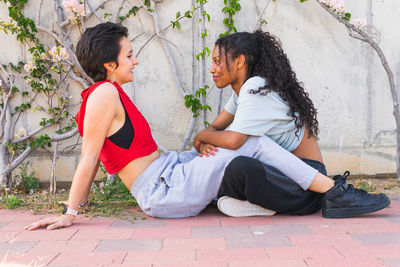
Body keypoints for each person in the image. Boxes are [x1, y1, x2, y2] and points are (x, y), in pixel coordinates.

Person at [24, 23, 387, 231]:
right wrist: (70, 213)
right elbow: (89, 158)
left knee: (236, 150)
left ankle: (274, 196)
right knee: (253, 144)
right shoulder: (103, 94)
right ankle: (335, 192)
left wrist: (199, 147)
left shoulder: (111, 92)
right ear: (109, 64)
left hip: (168, 171)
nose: (136, 60)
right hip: (160, 191)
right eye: (129, 55)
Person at [193, 30, 390, 218]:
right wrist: (203, 143)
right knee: (221, 164)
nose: (212, 69)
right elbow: (215, 130)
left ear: (239, 61)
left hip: (305, 184)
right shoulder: (242, 92)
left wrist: (201, 137)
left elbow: (233, 140)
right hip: (279, 176)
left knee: (241, 167)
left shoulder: (255, 89)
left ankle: (336, 195)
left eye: (218, 62)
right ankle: (254, 204)